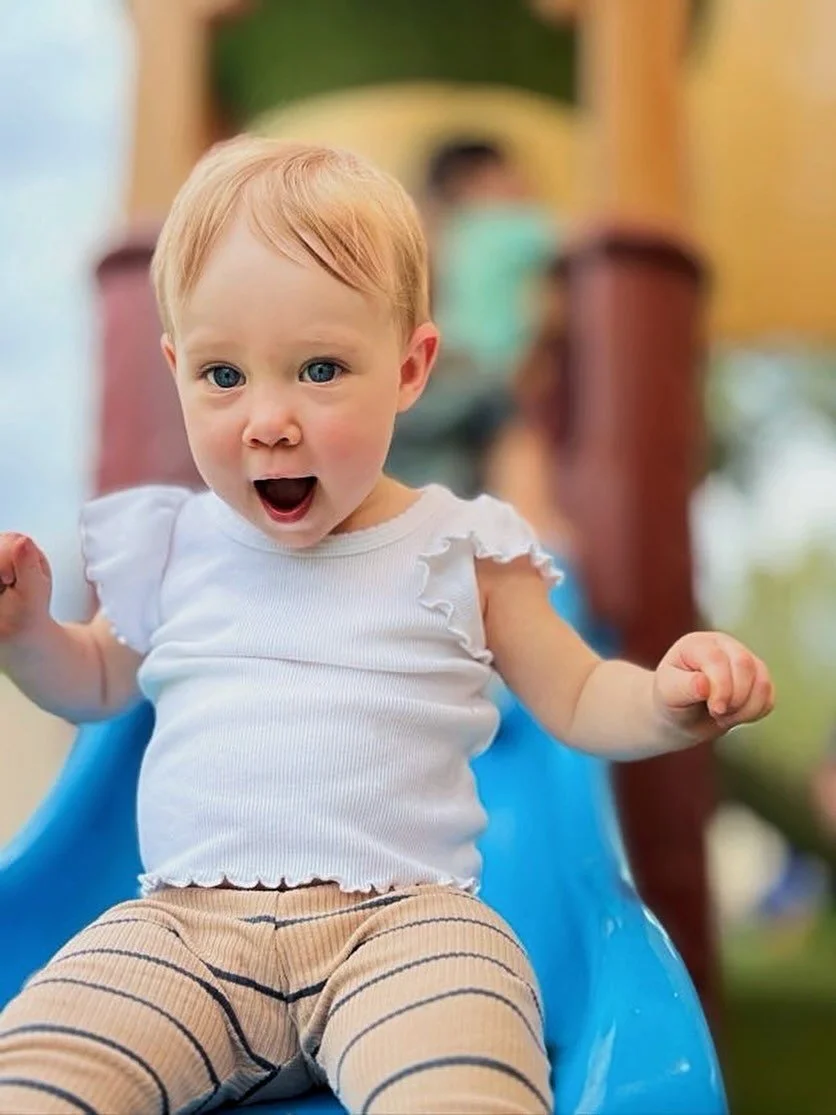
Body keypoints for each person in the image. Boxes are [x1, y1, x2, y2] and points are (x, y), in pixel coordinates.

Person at [0, 136, 774, 1115]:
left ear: (408, 368)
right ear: (175, 366)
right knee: (37, 1067)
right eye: (222, 375)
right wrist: (28, 632)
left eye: (319, 367)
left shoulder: (460, 548)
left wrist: (669, 697)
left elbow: (579, 694)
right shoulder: (172, 545)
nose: (268, 419)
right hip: (186, 930)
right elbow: (96, 681)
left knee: (465, 1076)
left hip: (407, 930)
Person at [387, 137, 558, 497]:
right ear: (478, 181)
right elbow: (576, 244)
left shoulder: (448, 234)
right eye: (514, 177)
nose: (527, 188)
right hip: (498, 365)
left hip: (448, 355)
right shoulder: (511, 225)